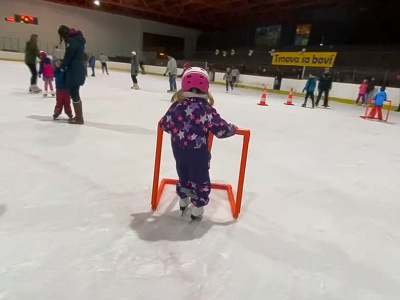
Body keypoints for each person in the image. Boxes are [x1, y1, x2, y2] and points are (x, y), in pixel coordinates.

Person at [159, 67, 238, 220]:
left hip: (179, 150)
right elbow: (221, 130)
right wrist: (232, 129)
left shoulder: (177, 106)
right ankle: (198, 206)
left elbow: (164, 124)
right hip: (198, 152)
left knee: (183, 173)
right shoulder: (206, 109)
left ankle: (183, 198)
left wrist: (178, 132)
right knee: (200, 177)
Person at [58, 25, 86, 125]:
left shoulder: (70, 41)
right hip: (79, 68)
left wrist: (62, 66)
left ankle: (79, 118)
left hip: (74, 69)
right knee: (75, 93)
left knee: (74, 93)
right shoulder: (78, 39)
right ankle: (79, 116)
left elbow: (69, 56)